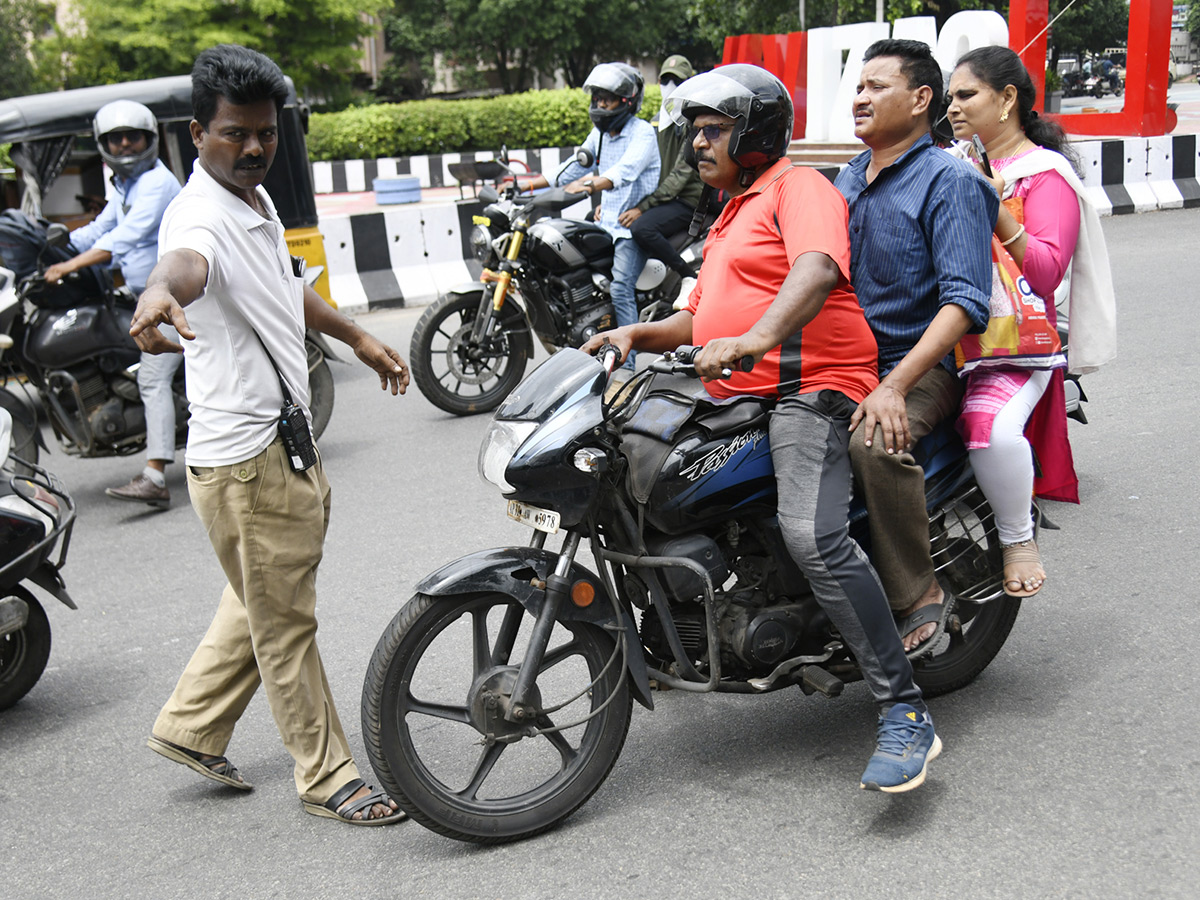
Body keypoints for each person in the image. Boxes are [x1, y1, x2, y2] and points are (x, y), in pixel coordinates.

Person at [583, 64, 941, 793]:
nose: (698, 142)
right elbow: (701, 317)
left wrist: (758, 338)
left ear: (754, 133)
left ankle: (904, 708)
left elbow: (814, 270)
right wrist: (637, 333)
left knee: (813, 533)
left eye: (713, 129)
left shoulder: (796, 188)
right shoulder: (728, 211)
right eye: (694, 130)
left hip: (813, 388)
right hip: (738, 391)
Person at [133, 44, 409, 826]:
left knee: (259, 598)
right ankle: (327, 777)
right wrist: (158, 296)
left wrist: (357, 337)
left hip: (267, 452)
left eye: (265, 133)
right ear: (198, 133)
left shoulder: (250, 200)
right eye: (234, 133)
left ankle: (189, 725)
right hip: (250, 463)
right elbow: (182, 267)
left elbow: (285, 289)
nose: (253, 147)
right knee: (286, 622)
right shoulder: (200, 216)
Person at [833, 39, 997, 652]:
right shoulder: (848, 177)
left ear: (921, 98)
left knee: (873, 444)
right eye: (859, 86)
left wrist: (895, 384)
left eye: (877, 86)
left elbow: (963, 303)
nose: (861, 97)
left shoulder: (948, 181)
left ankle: (917, 591)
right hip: (843, 360)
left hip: (921, 364)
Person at [945, 45, 1116, 596]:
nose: (953, 107)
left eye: (966, 95)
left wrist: (991, 207)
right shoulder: (952, 162)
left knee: (988, 429)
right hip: (931, 335)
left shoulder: (1045, 175)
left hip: (1007, 345)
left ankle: (1018, 538)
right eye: (949, 96)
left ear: (1008, 99)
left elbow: (1045, 274)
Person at [42, 101, 183, 508]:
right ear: (104, 144)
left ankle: (155, 476)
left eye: (132, 136)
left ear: (148, 139)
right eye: (115, 138)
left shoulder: (155, 183)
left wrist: (71, 263)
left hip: (175, 297)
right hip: (143, 294)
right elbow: (102, 228)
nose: (124, 144)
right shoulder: (122, 184)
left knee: (152, 378)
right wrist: (52, 246)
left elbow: (125, 237)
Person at [523, 62, 659, 360]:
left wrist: (592, 185)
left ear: (626, 101)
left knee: (621, 286)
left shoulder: (642, 133)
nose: (599, 105)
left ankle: (627, 365)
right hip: (606, 222)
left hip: (630, 226)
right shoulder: (600, 136)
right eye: (596, 99)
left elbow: (627, 170)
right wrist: (526, 185)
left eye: (606, 99)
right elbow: (573, 166)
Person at [618, 55, 705, 296]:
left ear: (690, 83)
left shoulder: (694, 123)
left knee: (641, 228)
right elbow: (636, 167)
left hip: (688, 201)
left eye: (677, 81)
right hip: (663, 198)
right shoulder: (656, 122)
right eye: (666, 80)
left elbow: (679, 178)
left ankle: (687, 275)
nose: (670, 87)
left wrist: (642, 208)